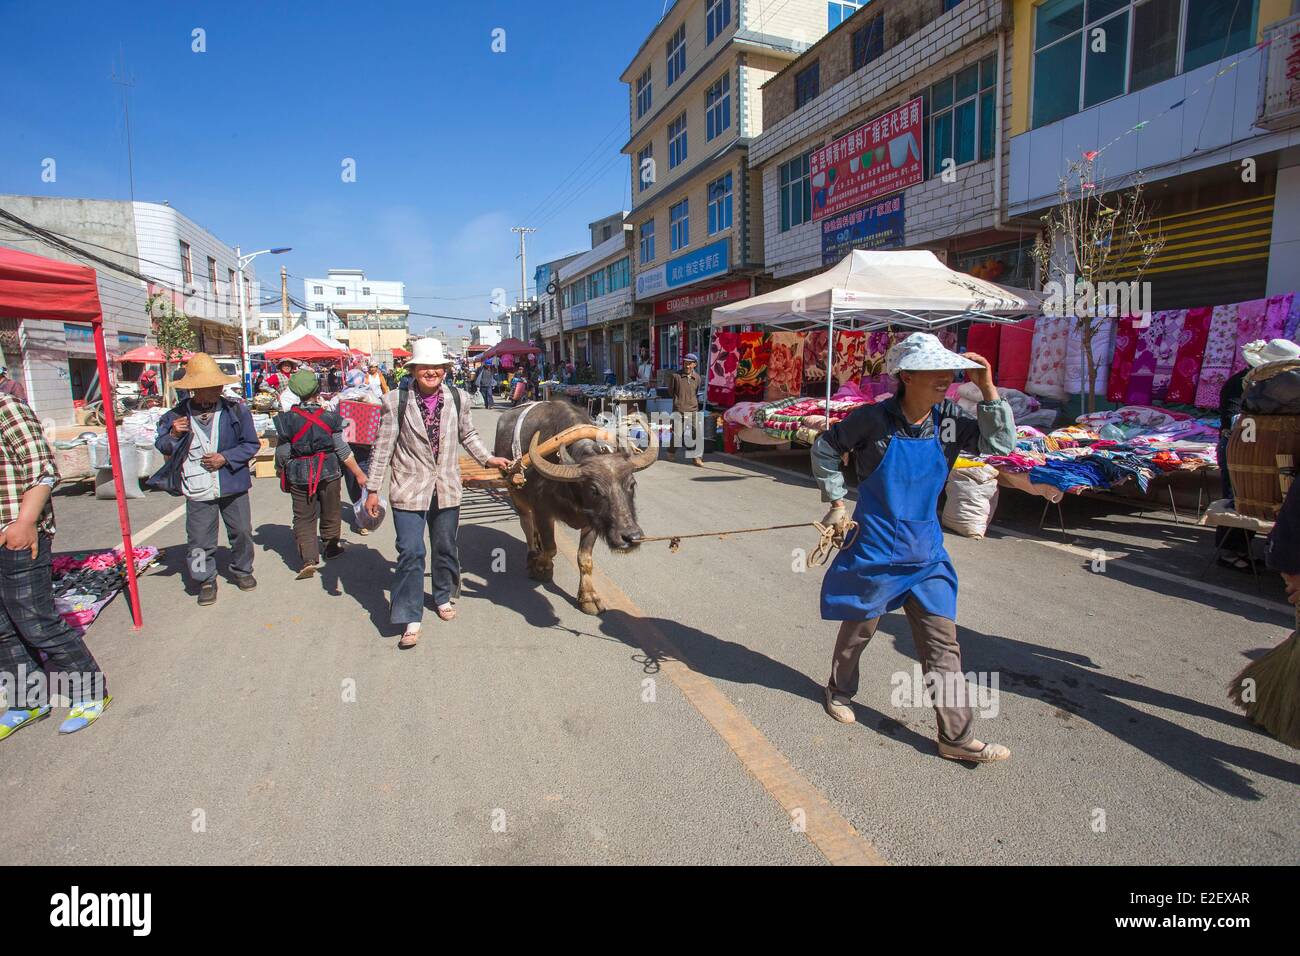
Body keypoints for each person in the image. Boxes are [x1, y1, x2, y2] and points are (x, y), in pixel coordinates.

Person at [811, 332, 1014, 764]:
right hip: (876, 546)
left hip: (927, 553)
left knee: (943, 644)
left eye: (947, 369)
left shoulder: (949, 420)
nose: (945, 377)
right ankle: (839, 690)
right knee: (859, 631)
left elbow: (1000, 446)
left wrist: (988, 388)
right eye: (933, 370)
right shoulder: (873, 420)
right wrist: (835, 500)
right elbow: (826, 448)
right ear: (906, 375)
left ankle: (955, 738)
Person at [364, 339, 510, 647]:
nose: (431, 372)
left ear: (444, 370)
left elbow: (467, 434)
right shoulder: (395, 400)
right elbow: (382, 447)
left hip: (445, 486)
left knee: (445, 545)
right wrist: (372, 489)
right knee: (411, 551)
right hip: (408, 489)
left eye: (437, 367)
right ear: (414, 370)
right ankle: (409, 614)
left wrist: (488, 458)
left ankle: (443, 594)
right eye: (425, 367)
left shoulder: (459, 397)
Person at [0, 392, 111, 738]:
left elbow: (44, 471)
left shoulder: (7, 408)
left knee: (35, 620)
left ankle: (91, 691)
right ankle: (26, 700)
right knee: (2, 628)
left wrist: (25, 523)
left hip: (19, 533)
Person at [155, 354, 261, 606]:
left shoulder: (236, 411)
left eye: (219, 384)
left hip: (232, 483)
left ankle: (243, 570)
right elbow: (161, 445)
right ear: (195, 389)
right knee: (200, 539)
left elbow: (251, 444)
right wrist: (172, 434)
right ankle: (205, 579)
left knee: (242, 531)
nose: (218, 389)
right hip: (197, 485)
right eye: (212, 385)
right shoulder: (175, 416)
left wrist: (225, 457)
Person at [274, 370, 368, 579]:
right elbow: (343, 450)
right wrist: (359, 473)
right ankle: (331, 546)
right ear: (317, 391)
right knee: (331, 510)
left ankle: (308, 558)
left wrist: (280, 470)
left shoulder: (286, 420)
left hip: (298, 473)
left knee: (304, 516)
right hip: (329, 470)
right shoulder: (331, 418)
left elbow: (282, 452)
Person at [668, 352, 704, 466]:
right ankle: (671, 452)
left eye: (690, 363)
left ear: (695, 364)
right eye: (685, 363)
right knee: (677, 434)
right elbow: (671, 392)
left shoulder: (697, 378)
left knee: (696, 433)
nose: (687, 366)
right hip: (679, 409)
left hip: (693, 409)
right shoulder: (676, 376)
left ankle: (696, 457)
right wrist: (678, 401)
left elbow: (696, 392)